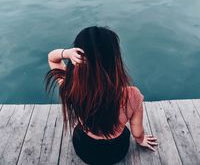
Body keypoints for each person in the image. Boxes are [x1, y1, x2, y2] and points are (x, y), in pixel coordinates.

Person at [44, 26, 157, 164]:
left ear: (78, 58)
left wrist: (66, 53)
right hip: (117, 151)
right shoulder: (132, 95)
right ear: (114, 60)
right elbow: (137, 132)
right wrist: (141, 140)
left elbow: (52, 59)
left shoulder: (71, 88)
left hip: (84, 148)